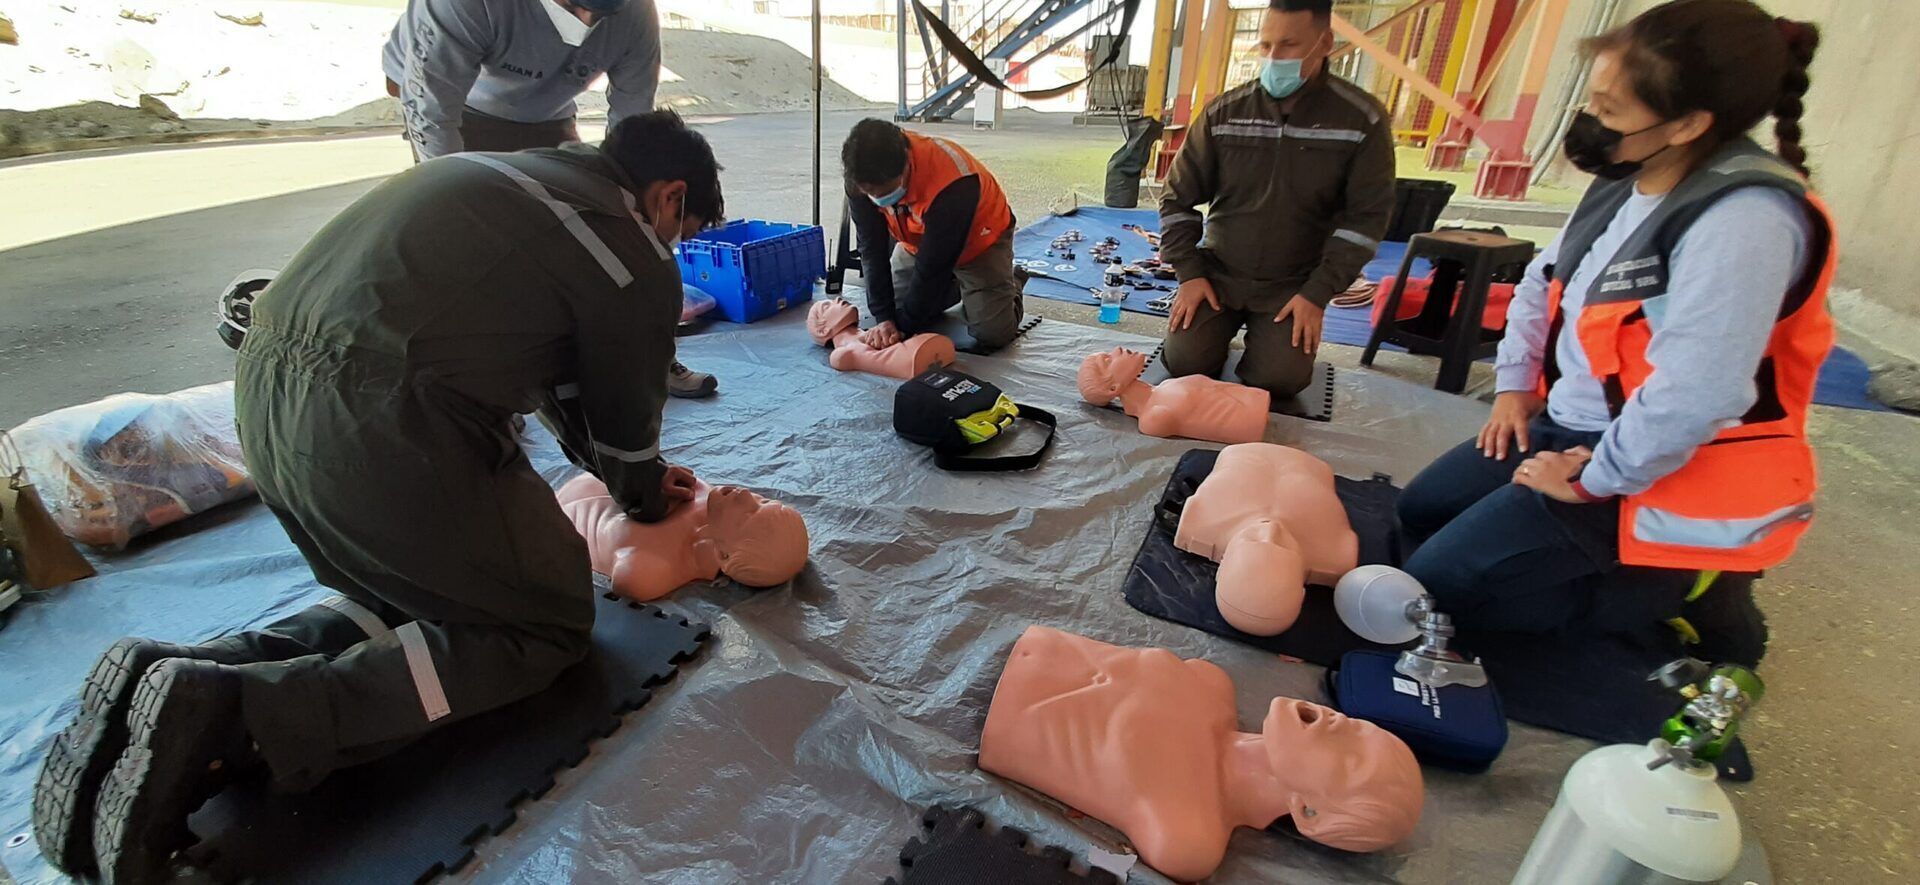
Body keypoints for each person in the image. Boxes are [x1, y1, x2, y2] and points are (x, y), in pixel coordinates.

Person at [32, 110, 723, 885]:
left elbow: (561, 382)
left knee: (405, 589)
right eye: (682, 231)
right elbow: (625, 421)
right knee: (546, 621)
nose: (672, 249)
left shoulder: (525, 179)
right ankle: (247, 721)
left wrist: (616, 470)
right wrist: (643, 494)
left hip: (262, 402)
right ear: (668, 196)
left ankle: (176, 678)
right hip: (382, 421)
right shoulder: (629, 249)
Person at [1395, 0, 1831, 647]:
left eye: (1609, 111)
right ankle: (1596, 554)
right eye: (1592, 102)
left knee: (1441, 590)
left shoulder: (1744, 221)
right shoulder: (1630, 174)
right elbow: (1545, 281)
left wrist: (1594, 480)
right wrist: (1515, 385)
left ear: (1687, 125)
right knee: (1420, 510)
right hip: (1567, 421)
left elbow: (1697, 395)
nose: (1590, 125)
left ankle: (1683, 583)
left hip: (1660, 455)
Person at [382, 0, 718, 398]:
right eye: (575, 6)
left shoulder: (635, 14)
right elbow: (432, 114)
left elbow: (633, 128)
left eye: (599, 14)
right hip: (458, 106)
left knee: (591, 237)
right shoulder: (468, 5)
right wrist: (459, 199)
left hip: (548, 114)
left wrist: (626, 217)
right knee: (474, 253)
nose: (585, 23)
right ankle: (478, 384)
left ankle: (650, 357)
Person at [1158, 0, 1395, 400]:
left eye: (1288, 45)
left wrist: (1317, 294)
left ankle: (1269, 346)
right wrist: (1190, 273)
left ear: (1325, 43)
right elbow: (1177, 198)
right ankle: (1213, 338)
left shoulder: (1361, 119)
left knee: (1280, 382)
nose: (1273, 58)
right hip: (1218, 274)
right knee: (1183, 364)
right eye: (1265, 45)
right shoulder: (1225, 113)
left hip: (1294, 284)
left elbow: (1366, 219)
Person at [842, 118, 1025, 354]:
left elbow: (933, 267)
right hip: (916, 245)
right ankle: (961, 288)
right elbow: (871, 248)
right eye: (870, 193)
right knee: (893, 312)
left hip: (980, 244)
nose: (878, 199)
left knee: (992, 334)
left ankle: (1012, 281)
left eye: (886, 192)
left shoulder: (953, 181)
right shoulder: (859, 179)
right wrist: (885, 318)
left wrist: (905, 329)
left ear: (907, 163)